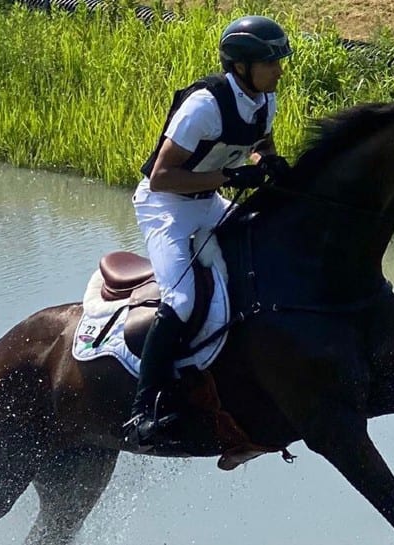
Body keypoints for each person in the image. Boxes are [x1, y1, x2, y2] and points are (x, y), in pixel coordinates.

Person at [123, 14, 294, 449]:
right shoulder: (204, 106)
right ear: (241, 66)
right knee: (181, 300)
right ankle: (143, 411)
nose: (279, 70)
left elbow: (261, 148)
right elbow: (163, 177)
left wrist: (269, 165)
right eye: (271, 62)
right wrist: (232, 178)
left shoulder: (263, 100)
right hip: (167, 208)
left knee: (257, 260)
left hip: (208, 203)